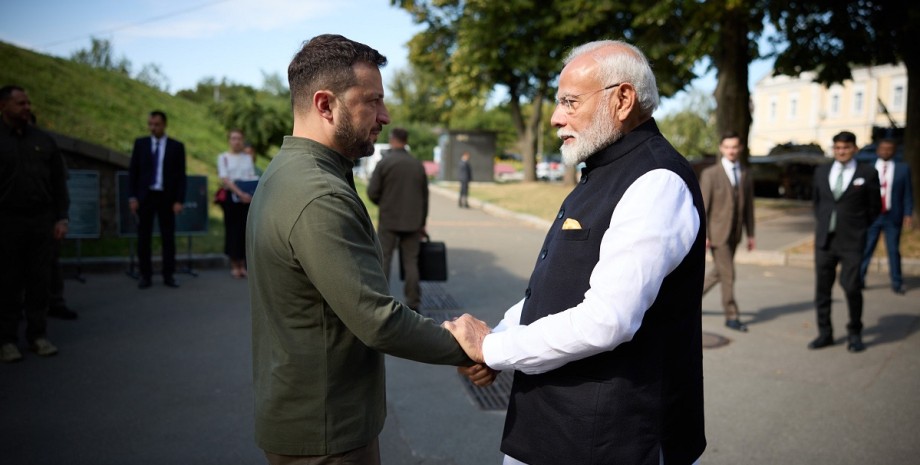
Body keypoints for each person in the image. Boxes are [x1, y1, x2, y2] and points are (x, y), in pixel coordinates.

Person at [444, 40, 707, 465]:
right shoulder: (606, 169)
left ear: (623, 99)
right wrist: (498, 337)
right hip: (556, 427)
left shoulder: (656, 180)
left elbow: (608, 320)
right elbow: (557, 289)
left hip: (607, 439)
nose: (555, 117)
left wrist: (492, 351)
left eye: (569, 102)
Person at [246, 34, 470, 464]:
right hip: (328, 428)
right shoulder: (318, 194)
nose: (385, 116)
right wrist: (468, 346)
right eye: (372, 101)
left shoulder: (289, 172)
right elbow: (378, 320)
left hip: (310, 413)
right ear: (326, 105)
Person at [1, 85, 70, 362]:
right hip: (6, 220)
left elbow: (58, 184)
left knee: (39, 280)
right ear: (4, 106)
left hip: (41, 220)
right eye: (20, 103)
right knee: (7, 281)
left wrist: (61, 218)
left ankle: (38, 335)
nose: (27, 107)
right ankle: (6, 339)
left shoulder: (43, 141)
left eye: (28, 102)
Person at [809, 131, 880, 353]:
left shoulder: (867, 173)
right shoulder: (822, 172)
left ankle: (855, 333)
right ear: (834, 149)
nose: (841, 151)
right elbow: (817, 203)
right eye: (838, 148)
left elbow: (874, 208)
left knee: (851, 287)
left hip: (851, 241)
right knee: (822, 291)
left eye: (846, 148)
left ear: (854, 149)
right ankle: (825, 333)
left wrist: (858, 227)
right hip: (825, 241)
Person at [367, 127, 428, 310]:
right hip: (413, 221)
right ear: (406, 140)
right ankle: (413, 302)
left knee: (384, 259)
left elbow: (372, 192)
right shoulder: (417, 164)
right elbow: (425, 196)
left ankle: (382, 301)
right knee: (411, 262)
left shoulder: (385, 163)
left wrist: (383, 203)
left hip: (389, 219)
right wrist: (422, 222)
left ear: (393, 140)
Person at [699, 131, 755, 332]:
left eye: (735, 147)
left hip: (736, 233)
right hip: (717, 234)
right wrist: (703, 234)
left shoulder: (745, 173)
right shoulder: (710, 174)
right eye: (727, 147)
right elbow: (703, 207)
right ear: (721, 149)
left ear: (739, 148)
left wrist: (750, 234)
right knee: (728, 274)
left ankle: (688, 300)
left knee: (718, 273)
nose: (731, 150)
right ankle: (732, 315)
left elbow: (748, 207)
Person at [128, 110, 187, 289]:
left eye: (156, 124)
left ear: (164, 125)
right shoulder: (141, 144)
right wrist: (132, 197)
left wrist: (179, 200)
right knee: (143, 237)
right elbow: (133, 172)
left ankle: (168, 274)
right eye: (150, 124)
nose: (153, 128)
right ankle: (145, 275)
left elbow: (181, 176)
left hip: (166, 198)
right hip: (145, 197)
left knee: (168, 237)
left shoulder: (176, 147)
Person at [859, 139, 913, 295]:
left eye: (889, 149)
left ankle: (897, 282)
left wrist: (908, 213)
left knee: (893, 250)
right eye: (883, 148)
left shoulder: (903, 169)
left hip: (892, 216)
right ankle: (859, 279)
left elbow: (908, 193)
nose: (886, 151)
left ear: (894, 151)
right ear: (878, 150)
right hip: (872, 217)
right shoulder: (868, 168)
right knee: (867, 248)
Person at [217, 129, 258, 278]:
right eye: (233, 138)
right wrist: (239, 193)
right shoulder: (224, 157)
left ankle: (244, 265)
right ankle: (235, 264)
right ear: (229, 140)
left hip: (246, 199)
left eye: (239, 138)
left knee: (245, 231)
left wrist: (249, 194)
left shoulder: (247, 157)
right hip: (232, 199)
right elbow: (225, 179)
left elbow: (250, 176)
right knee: (232, 231)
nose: (236, 141)